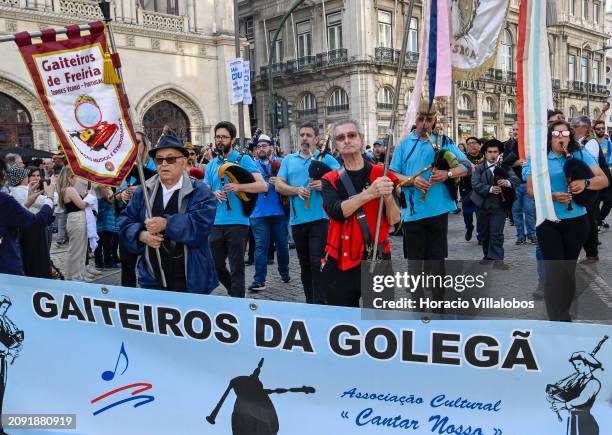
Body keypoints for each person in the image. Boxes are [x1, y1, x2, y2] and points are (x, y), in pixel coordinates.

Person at [389, 98, 470, 311]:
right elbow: (392, 174)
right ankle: (417, 306)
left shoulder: (443, 141)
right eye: (421, 119)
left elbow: (467, 166)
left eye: (429, 119)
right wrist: (411, 180)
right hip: (412, 213)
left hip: (437, 211)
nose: (425, 123)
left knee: (437, 262)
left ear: (435, 119)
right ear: (414, 119)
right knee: (415, 263)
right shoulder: (404, 145)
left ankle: (438, 306)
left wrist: (447, 173)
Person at [525, 120, 608, 321]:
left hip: (577, 220)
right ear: (549, 137)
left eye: (564, 133)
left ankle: (564, 313)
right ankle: (557, 317)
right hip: (548, 220)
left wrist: (584, 183)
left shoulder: (579, 154)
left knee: (567, 268)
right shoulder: (539, 157)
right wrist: (552, 195)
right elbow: (530, 191)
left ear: (570, 136)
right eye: (556, 134)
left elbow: (603, 179)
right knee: (554, 270)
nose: (560, 137)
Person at [119, 133, 218, 293]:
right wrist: (140, 235)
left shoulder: (199, 191)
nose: (164, 164)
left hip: (191, 280)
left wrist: (167, 223)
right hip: (152, 278)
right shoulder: (144, 191)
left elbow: (201, 227)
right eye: (159, 160)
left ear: (184, 161)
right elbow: (125, 222)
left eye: (170, 159)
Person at [320, 120, 400, 307]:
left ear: (361, 139)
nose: (346, 140)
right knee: (343, 324)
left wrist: (387, 196)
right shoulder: (329, 179)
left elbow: (395, 219)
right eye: (340, 138)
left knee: (380, 321)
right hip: (340, 260)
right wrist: (370, 193)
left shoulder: (383, 173)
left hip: (377, 257)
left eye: (351, 135)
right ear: (335, 145)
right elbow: (337, 212)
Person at [274, 121, 341, 304]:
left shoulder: (325, 159)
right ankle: (310, 301)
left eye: (308, 135)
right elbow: (279, 185)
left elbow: (342, 180)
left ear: (316, 139)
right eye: (302, 135)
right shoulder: (288, 160)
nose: (304, 138)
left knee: (317, 262)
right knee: (304, 265)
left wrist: (324, 184)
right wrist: (295, 190)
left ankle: (321, 302)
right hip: (297, 221)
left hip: (320, 219)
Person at [204, 122, 267, 297]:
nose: (220, 141)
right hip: (215, 222)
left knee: (237, 268)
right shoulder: (211, 165)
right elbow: (204, 190)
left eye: (224, 137)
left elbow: (263, 186)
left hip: (238, 222)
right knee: (215, 265)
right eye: (217, 137)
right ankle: (234, 293)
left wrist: (239, 187)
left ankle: (238, 303)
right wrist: (213, 192)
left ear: (232, 139)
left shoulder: (243, 159)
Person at [248, 134, 291, 291]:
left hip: (278, 211)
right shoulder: (251, 165)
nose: (261, 149)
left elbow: (290, 181)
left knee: (282, 245)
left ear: (272, 148)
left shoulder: (280, 164)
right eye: (258, 147)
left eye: (264, 146)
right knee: (261, 247)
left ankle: (284, 272)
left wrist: (280, 182)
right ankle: (259, 280)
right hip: (257, 213)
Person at [0, 157, 55, 276]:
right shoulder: (5, 199)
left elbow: (12, 216)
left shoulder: (8, 196)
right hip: (7, 267)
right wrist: (50, 198)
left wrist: (28, 202)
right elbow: (36, 222)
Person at [470, 140, 519, 270]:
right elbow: (475, 184)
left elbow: (515, 180)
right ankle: (487, 256)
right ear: (485, 153)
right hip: (482, 205)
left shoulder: (504, 167)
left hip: (499, 206)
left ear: (499, 153)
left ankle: (498, 260)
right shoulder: (479, 168)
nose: (493, 154)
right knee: (484, 233)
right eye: (490, 152)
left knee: (496, 233)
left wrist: (507, 182)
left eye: (495, 152)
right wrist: (490, 189)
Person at [116, 131, 156, 287]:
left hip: (149, 220)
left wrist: (140, 188)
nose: (133, 147)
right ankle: (129, 298)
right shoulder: (122, 167)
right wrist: (123, 194)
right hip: (128, 221)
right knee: (127, 264)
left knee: (152, 264)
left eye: (137, 142)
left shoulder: (154, 163)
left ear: (144, 145)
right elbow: (115, 195)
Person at [571, 115, 604, 265]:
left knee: (589, 220)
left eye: (574, 126)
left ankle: (591, 254)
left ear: (583, 128)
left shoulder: (590, 143)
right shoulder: (579, 142)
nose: (571, 129)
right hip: (583, 186)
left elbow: (591, 167)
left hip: (590, 187)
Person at [56, 167, 95, 281]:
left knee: (82, 249)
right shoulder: (69, 189)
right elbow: (82, 205)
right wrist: (89, 195)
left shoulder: (66, 189)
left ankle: (80, 274)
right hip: (77, 218)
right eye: (76, 176)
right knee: (76, 249)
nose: (77, 179)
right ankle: (73, 275)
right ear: (70, 177)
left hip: (76, 218)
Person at [550, 351, 602, 435]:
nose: (576, 367)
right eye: (575, 365)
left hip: (585, 423)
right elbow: (568, 397)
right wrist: (555, 393)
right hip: (573, 420)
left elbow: (581, 400)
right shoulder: (577, 381)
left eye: (579, 364)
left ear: (587, 364)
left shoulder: (594, 382)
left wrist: (563, 405)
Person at [504, 123, 536, 244]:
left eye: (518, 129)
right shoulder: (508, 144)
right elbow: (505, 164)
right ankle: (520, 235)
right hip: (514, 183)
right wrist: (519, 162)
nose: (515, 131)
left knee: (529, 210)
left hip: (528, 182)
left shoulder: (529, 144)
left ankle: (532, 234)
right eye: (514, 129)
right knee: (516, 211)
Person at [0, 295, 23, 435]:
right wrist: (10, 349)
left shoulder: (4, 320)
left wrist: (16, 342)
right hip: (2, 355)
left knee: (2, 390)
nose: (4, 309)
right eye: (2, 306)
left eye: (6, 307)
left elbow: (13, 335)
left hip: (3, 360)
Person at [459, 137, 483, 243]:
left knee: (481, 215)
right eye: (469, 144)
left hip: (481, 190)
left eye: (474, 143)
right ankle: (469, 228)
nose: (472, 145)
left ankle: (480, 236)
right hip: (467, 190)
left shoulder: (484, 157)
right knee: (467, 213)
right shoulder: (463, 158)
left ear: (479, 145)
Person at [593, 119, 612, 229]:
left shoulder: (609, 143)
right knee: (595, 200)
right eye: (598, 128)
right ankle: (597, 223)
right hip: (594, 173)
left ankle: (600, 219)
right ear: (594, 130)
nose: (601, 130)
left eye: (602, 128)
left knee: (609, 200)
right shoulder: (592, 143)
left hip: (607, 173)